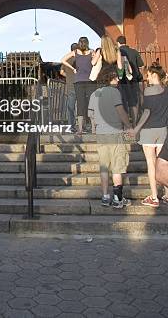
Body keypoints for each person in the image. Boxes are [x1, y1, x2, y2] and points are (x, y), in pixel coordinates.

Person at [88, 67, 133, 208]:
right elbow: (120, 111)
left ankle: (105, 196)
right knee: (117, 166)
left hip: (101, 134)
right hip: (115, 132)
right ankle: (118, 198)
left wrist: (95, 128)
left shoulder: (95, 94)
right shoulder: (114, 92)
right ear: (109, 79)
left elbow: (91, 115)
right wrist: (129, 126)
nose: (118, 79)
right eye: (115, 77)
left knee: (104, 167)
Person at [129, 64, 168, 207]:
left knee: (151, 164)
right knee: (163, 163)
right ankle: (167, 194)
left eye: (149, 75)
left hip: (149, 131)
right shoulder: (166, 90)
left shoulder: (149, 91)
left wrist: (136, 128)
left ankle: (154, 197)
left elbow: (146, 112)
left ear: (153, 75)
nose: (147, 77)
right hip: (163, 130)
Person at [61, 37, 96, 136]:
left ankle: (80, 130)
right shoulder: (92, 52)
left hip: (78, 81)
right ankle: (93, 129)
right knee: (91, 104)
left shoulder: (75, 52)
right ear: (87, 43)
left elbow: (62, 60)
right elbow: (95, 63)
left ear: (79, 43)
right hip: (90, 81)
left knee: (80, 105)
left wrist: (73, 69)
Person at [117, 35, 145, 124]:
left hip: (122, 80)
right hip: (134, 79)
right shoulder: (134, 52)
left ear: (118, 43)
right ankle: (135, 121)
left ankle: (125, 123)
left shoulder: (118, 52)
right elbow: (141, 65)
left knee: (123, 100)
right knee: (134, 101)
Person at [60, 42, 78, 131]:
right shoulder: (79, 58)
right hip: (79, 84)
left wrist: (69, 76)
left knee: (70, 107)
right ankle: (84, 125)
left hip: (70, 85)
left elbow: (61, 72)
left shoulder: (66, 59)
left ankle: (72, 126)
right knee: (81, 106)